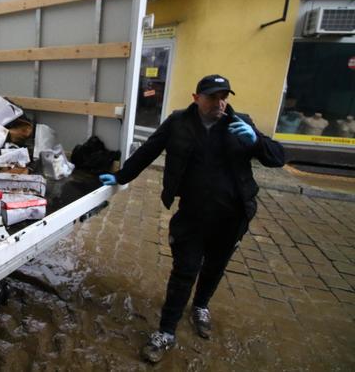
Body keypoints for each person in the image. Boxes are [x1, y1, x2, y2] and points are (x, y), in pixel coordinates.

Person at [99, 75, 285, 363]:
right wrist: (121, 176)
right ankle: (166, 331)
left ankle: (200, 306)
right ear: (196, 98)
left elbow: (278, 158)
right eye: (212, 97)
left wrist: (256, 142)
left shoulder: (241, 122)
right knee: (184, 271)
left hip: (233, 216)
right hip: (193, 215)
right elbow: (149, 150)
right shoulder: (178, 122)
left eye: (224, 96)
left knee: (215, 266)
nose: (220, 103)